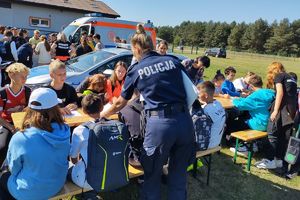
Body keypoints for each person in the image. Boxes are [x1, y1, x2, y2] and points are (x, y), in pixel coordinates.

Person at [100, 24, 194, 200]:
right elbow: (190, 89)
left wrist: (103, 114)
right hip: (185, 121)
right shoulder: (173, 61)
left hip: (161, 124)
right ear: (151, 46)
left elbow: (121, 101)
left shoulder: (136, 69)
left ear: (136, 48)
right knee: (179, 174)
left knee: (152, 174)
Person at [0, 87, 70, 200]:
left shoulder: (21, 137)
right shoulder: (65, 130)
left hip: (30, 192)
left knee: (3, 175)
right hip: (57, 184)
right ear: (56, 108)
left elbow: (14, 169)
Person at [255, 62, 298, 170]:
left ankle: (269, 160)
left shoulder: (279, 76)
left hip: (281, 110)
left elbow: (280, 93)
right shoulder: (291, 78)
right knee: (282, 137)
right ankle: (278, 161)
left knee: (272, 133)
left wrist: (275, 110)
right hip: (290, 112)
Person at [69, 94, 103, 190]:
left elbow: (73, 157)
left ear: (83, 110)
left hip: (88, 180)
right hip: (111, 175)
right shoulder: (115, 126)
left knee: (68, 168)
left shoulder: (80, 130)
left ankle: (89, 193)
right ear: (102, 108)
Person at [0, 63, 30, 152]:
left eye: (26, 76)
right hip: (7, 123)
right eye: (22, 76)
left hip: (24, 123)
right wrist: (11, 128)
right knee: (2, 147)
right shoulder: (2, 93)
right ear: (11, 75)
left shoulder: (28, 91)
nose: (24, 79)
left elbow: (31, 111)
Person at [197, 81, 226, 149]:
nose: (198, 96)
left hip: (207, 144)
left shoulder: (205, 110)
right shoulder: (218, 103)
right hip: (217, 141)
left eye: (199, 94)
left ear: (206, 95)